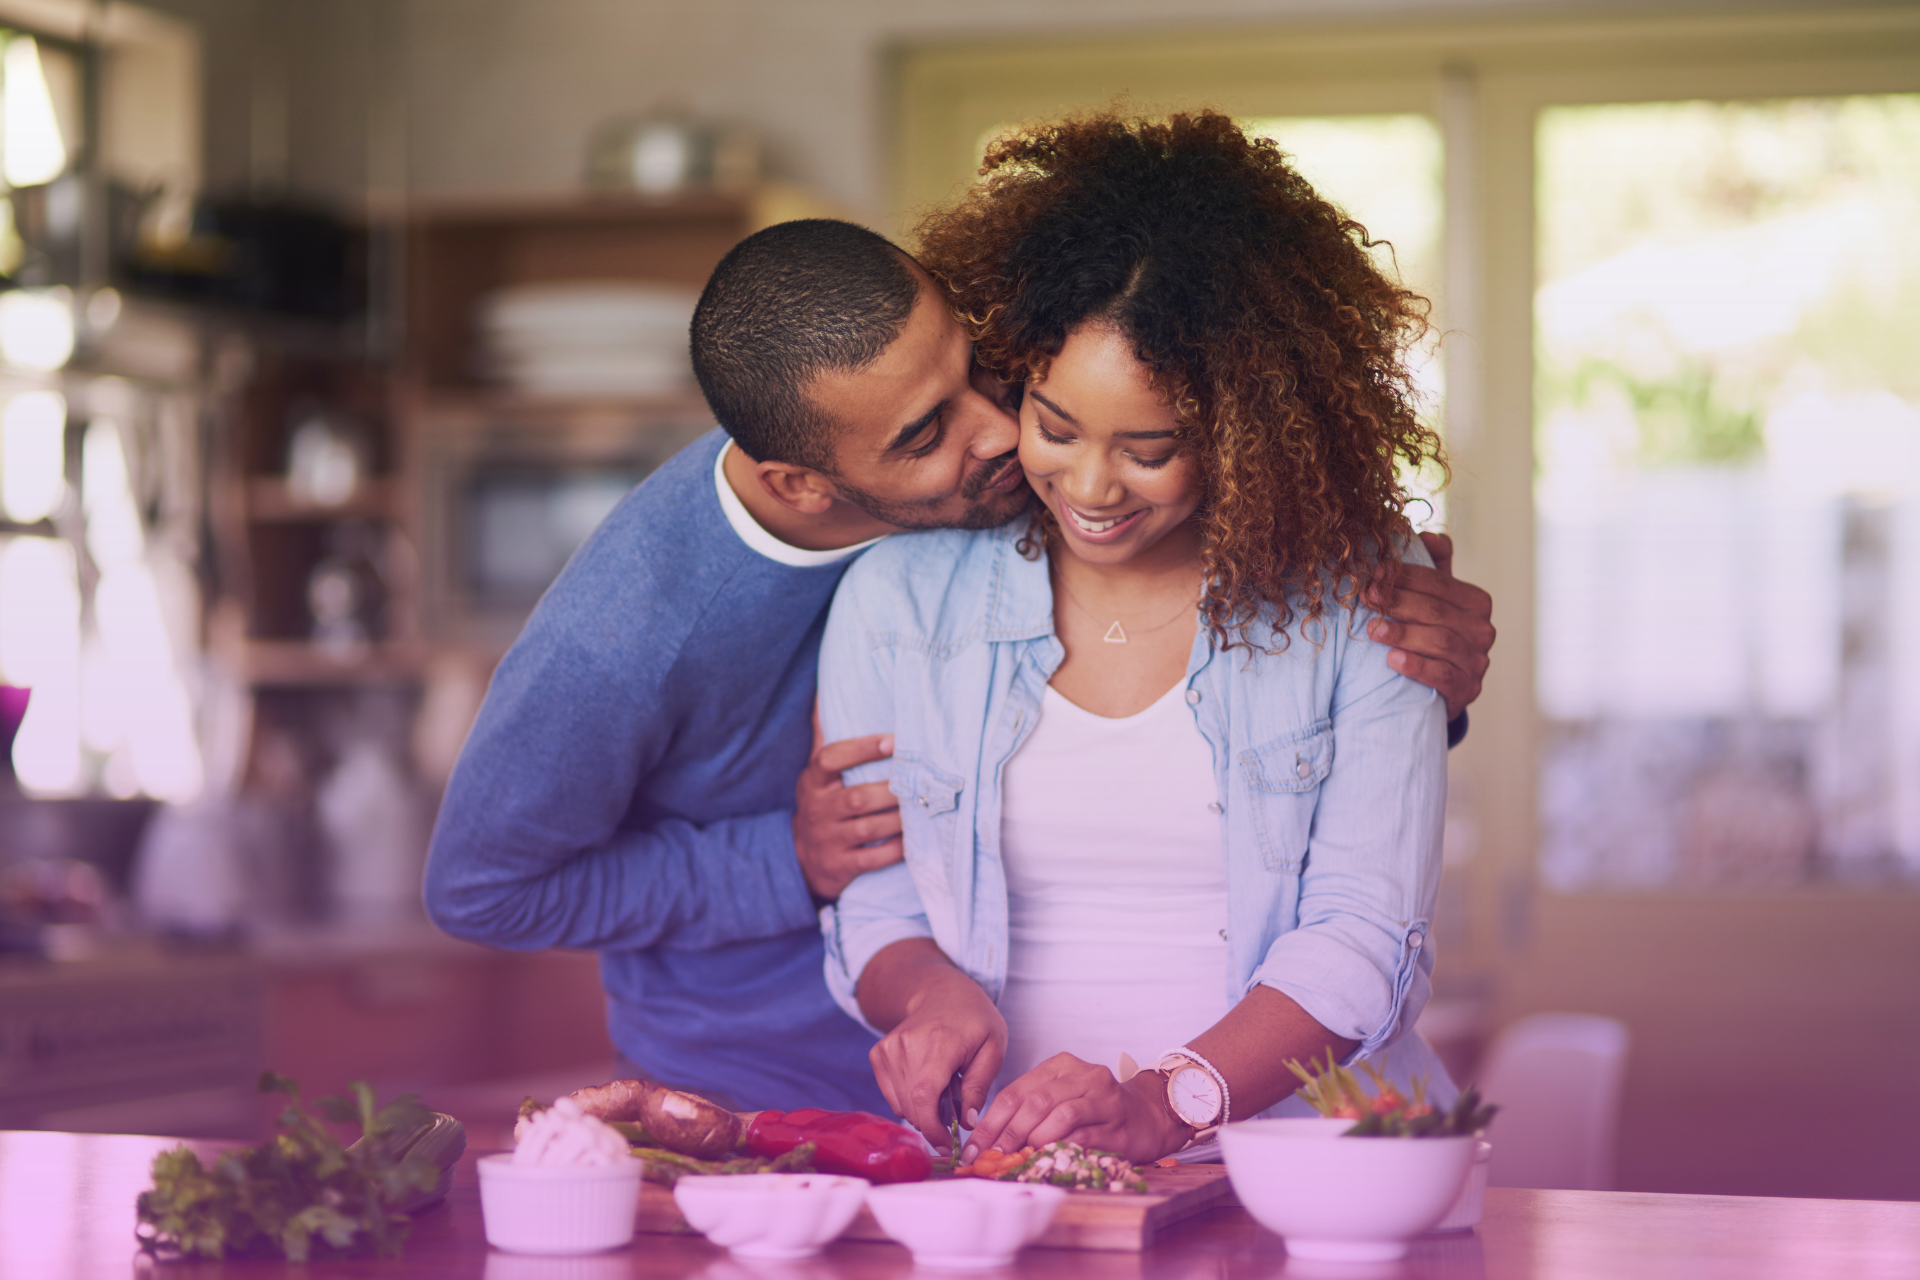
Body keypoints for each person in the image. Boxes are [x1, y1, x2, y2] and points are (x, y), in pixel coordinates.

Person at [423, 213, 1494, 1111]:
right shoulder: (624, 636)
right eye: (930, 428)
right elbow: (485, 890)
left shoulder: (1002, 469)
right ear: (806, 484)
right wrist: (785, 859)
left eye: (982, 365)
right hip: (759, 1080)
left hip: (1003, 1104)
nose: (1000, 432)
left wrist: (1400, 666)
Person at [817, 111, 1456, 1163]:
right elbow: (874, 891)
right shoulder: (899, 598)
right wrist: (925, 994)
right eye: (1055, 427)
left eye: (1149, 448)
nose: (1091, 487)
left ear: (1246, 432)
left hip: (1311, 1171)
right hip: (1020, 1176)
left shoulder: (1364, 590)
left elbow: (1364, 936)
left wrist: (1165, 1102)